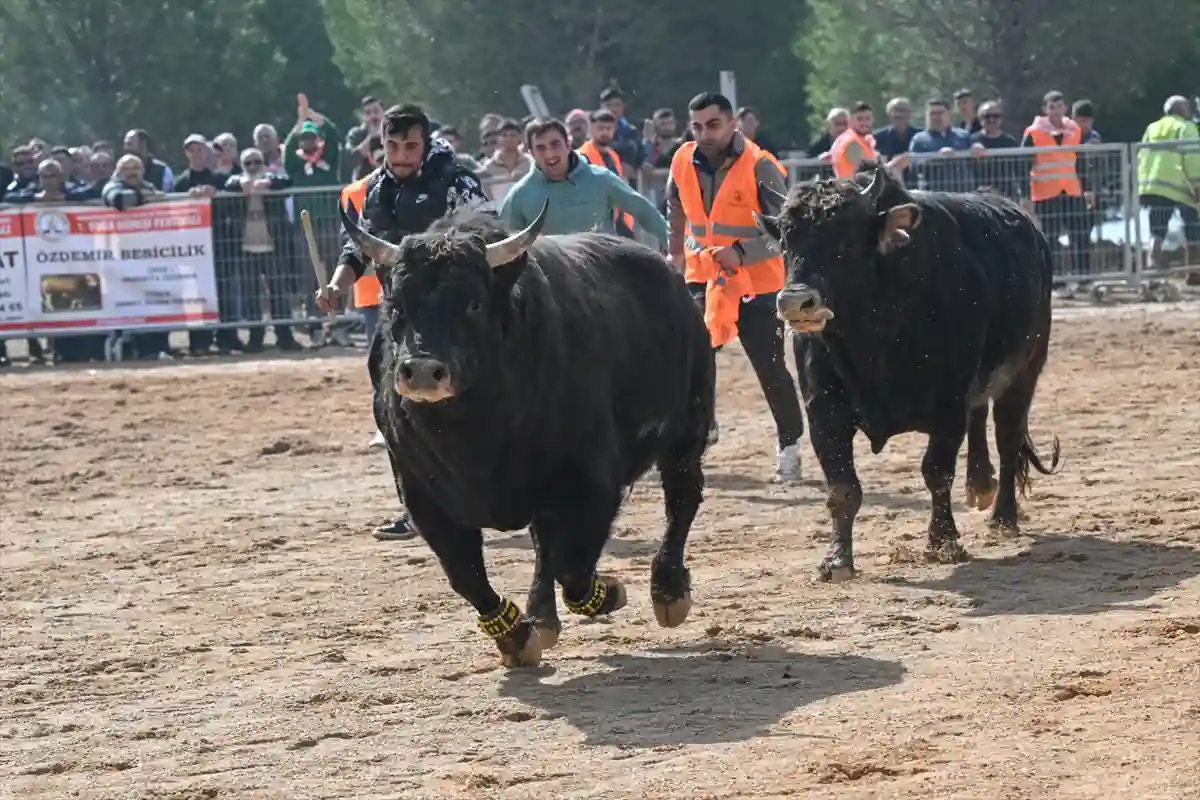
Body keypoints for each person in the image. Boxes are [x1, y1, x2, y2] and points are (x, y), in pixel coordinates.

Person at [313, 103, 490, 541]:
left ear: (426, 143)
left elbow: (487, 237)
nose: (402, 156)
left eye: (411, 146)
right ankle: (417, 509)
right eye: (393, 146)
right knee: (388, 399)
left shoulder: (457, 181)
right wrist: (336, 286)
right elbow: (357, 249)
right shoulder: (375, 190)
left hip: (456, 314)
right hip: (404, 313)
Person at [665, 92, 805, 483]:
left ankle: (790, 446)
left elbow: (787, 229)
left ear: (731, 124)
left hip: (757, 284)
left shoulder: (761, 166)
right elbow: (674, 207)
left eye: (712, 124)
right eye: (696, 126)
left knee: (770, 368)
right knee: (694, 360)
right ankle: (703, 430)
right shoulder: (681, 160)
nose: (704, 133)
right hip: (703, 278)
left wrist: (742, 253)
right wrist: (675, 252)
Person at [499, 118, 667, 242]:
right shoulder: (520, 195)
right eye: (540, 148)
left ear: (568, 144)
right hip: (551, 281)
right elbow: (505, 243)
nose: (549, 154)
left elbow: (645, 212)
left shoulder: (600, 179)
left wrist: (673, 246)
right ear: (531, 153)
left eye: (555, 144)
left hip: (603, 274)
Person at [1136, 95, 1200, 281]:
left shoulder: (1152, 128)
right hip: (1181, 186)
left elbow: (1142, 155)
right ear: (1181, 110)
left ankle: (1152, 264)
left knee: (1157, 227)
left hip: (1153, 184)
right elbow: (1192, 157)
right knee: (1192, 225)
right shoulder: (1185, 128)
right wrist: (1197, 184)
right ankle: (1193, 270)